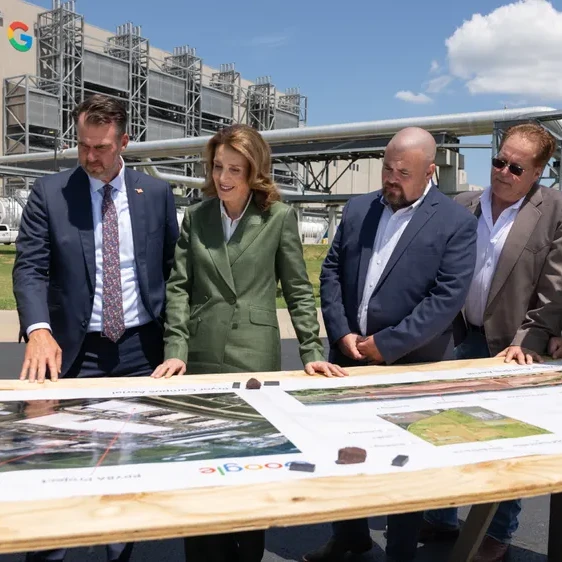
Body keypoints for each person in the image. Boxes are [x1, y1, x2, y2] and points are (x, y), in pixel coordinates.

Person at [151, 123, 346, 561]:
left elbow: (298, 289)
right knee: (201, 462)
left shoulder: (278, 217)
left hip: (254, 355)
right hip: (199, 354)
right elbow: (178, 287)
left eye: (234, 169)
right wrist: (175, 350)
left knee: (249, 467)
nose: (223, 178)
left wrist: (312, 352)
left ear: (254, 171)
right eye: (218, 166)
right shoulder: (197, 216)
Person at [12, 93, 179, 562]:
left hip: (138, 351)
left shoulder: (157, 195)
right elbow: (30, 268)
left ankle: (118, 546)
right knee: (52, 458)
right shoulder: (51, 194)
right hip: (68, 350)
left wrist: (178, 340)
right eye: (83, 145)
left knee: (125, 457)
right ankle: (47, 552)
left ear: (124, 141)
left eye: (101, 148)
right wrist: (38, 328)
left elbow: (173, 272)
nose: (90, 157)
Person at [303, 127, 478, 562]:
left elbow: (446, 297)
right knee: (343, 456)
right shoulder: (359, 208)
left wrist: (387, 345)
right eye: (387, 168)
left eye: (403, 172)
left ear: (430, 172)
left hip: (411, 363)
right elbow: (331, 272)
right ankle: (350, 537)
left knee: (405, 463)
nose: (391, 178)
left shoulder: (455, 222)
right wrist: (341, 332)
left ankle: (400, 552)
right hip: (347, 358)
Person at [423, 123, 562, 562]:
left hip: (513, 345)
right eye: (498, 160)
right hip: (458, 337)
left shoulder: (554, 210)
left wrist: (531, 339)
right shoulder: (463, 206)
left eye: (515, 167)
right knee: (437, 430)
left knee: (505, 443)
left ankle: (497, 534)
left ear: (538, 172)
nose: (502, 171)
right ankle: (442, 517)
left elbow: (554, 286)